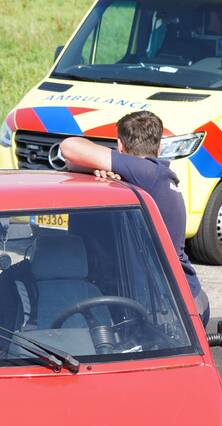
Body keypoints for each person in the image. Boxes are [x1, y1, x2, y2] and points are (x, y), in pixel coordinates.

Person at [58, 110, 209, 325]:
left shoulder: (147, 173)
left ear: (120, 146)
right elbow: (73, 164)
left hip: (171, 306)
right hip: (183, 294)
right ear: (159, 146)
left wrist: (103, 163)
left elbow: (69, 147)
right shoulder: (156, 177)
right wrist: (98, 167)